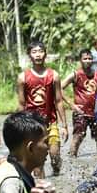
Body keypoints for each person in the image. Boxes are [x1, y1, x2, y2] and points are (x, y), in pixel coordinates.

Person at [17, 41, 67, 177]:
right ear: (29, 55)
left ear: (45, 54)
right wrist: (20, 126)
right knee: (37, 164)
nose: (38, 55)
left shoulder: (54, 75)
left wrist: (64, 125)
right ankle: (43, 190)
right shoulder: (23, 78)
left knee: (55, 155)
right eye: (34, 52)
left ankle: (57, 174)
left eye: (40, 51)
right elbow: (21, 104)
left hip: (51, 123)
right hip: (33, 125)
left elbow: (58, 101)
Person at [62, 49, 97, 157]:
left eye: (90, 58)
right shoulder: (75, 75)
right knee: (78, 137)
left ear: (93, 60)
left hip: (95, 112)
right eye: (85, 59)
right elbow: (59, 88)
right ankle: (72, 158)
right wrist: (71, 104)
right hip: (80, 112)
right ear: (80, 60)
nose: (88, 61)